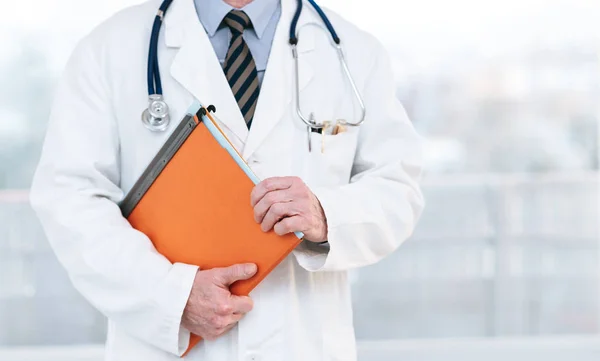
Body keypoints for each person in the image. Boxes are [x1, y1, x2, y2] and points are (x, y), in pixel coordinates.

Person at [30, 0, 425, 360]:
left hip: (301, 343)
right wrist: (171, 296)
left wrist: (326, 216)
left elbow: (398, 189)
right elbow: (70, 197)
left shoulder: (352, 52)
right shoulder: (108, 50)